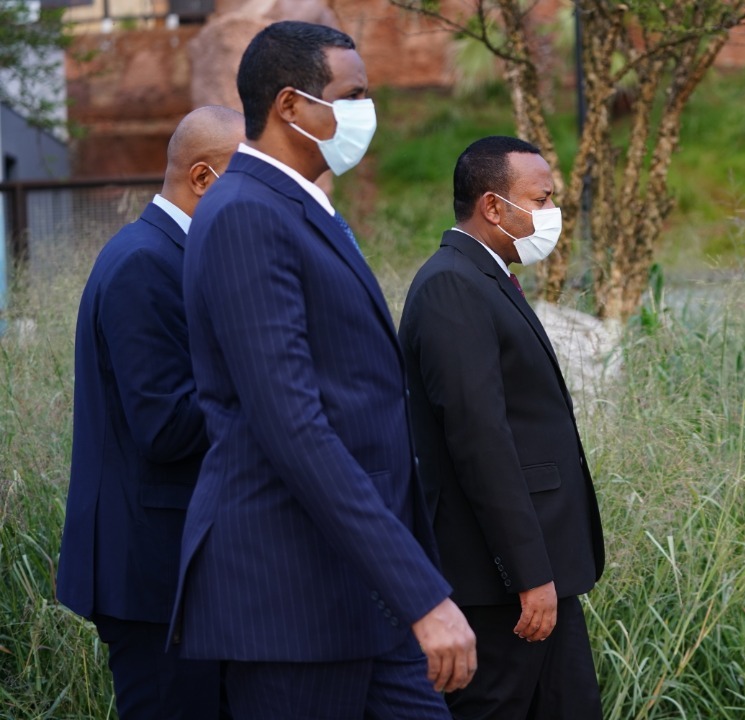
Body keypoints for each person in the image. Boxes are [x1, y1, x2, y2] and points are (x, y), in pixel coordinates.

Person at [171, 21, 475, 719]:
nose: (368, 112)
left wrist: (408, 582)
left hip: (360, 591)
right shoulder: (245, 214)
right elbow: (293, 425)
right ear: (290, 105)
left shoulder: (297, 206)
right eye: (353, 95)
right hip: (292, 599)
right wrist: (420, 594)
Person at [398, 135, 606, 720]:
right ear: (493, 206)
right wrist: (528, 573)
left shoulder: (485, 278)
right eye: (541, 200)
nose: (552, 213)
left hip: (541, 573)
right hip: (500, 585)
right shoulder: (451, 285)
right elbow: (480, 440)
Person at [56, 104, 244, 720]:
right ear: (203, 178)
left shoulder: (172, 254)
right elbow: (164, 426)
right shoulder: (145, 262)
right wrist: (263, 377)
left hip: (176, 570)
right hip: (152, 573)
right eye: (248, 181)